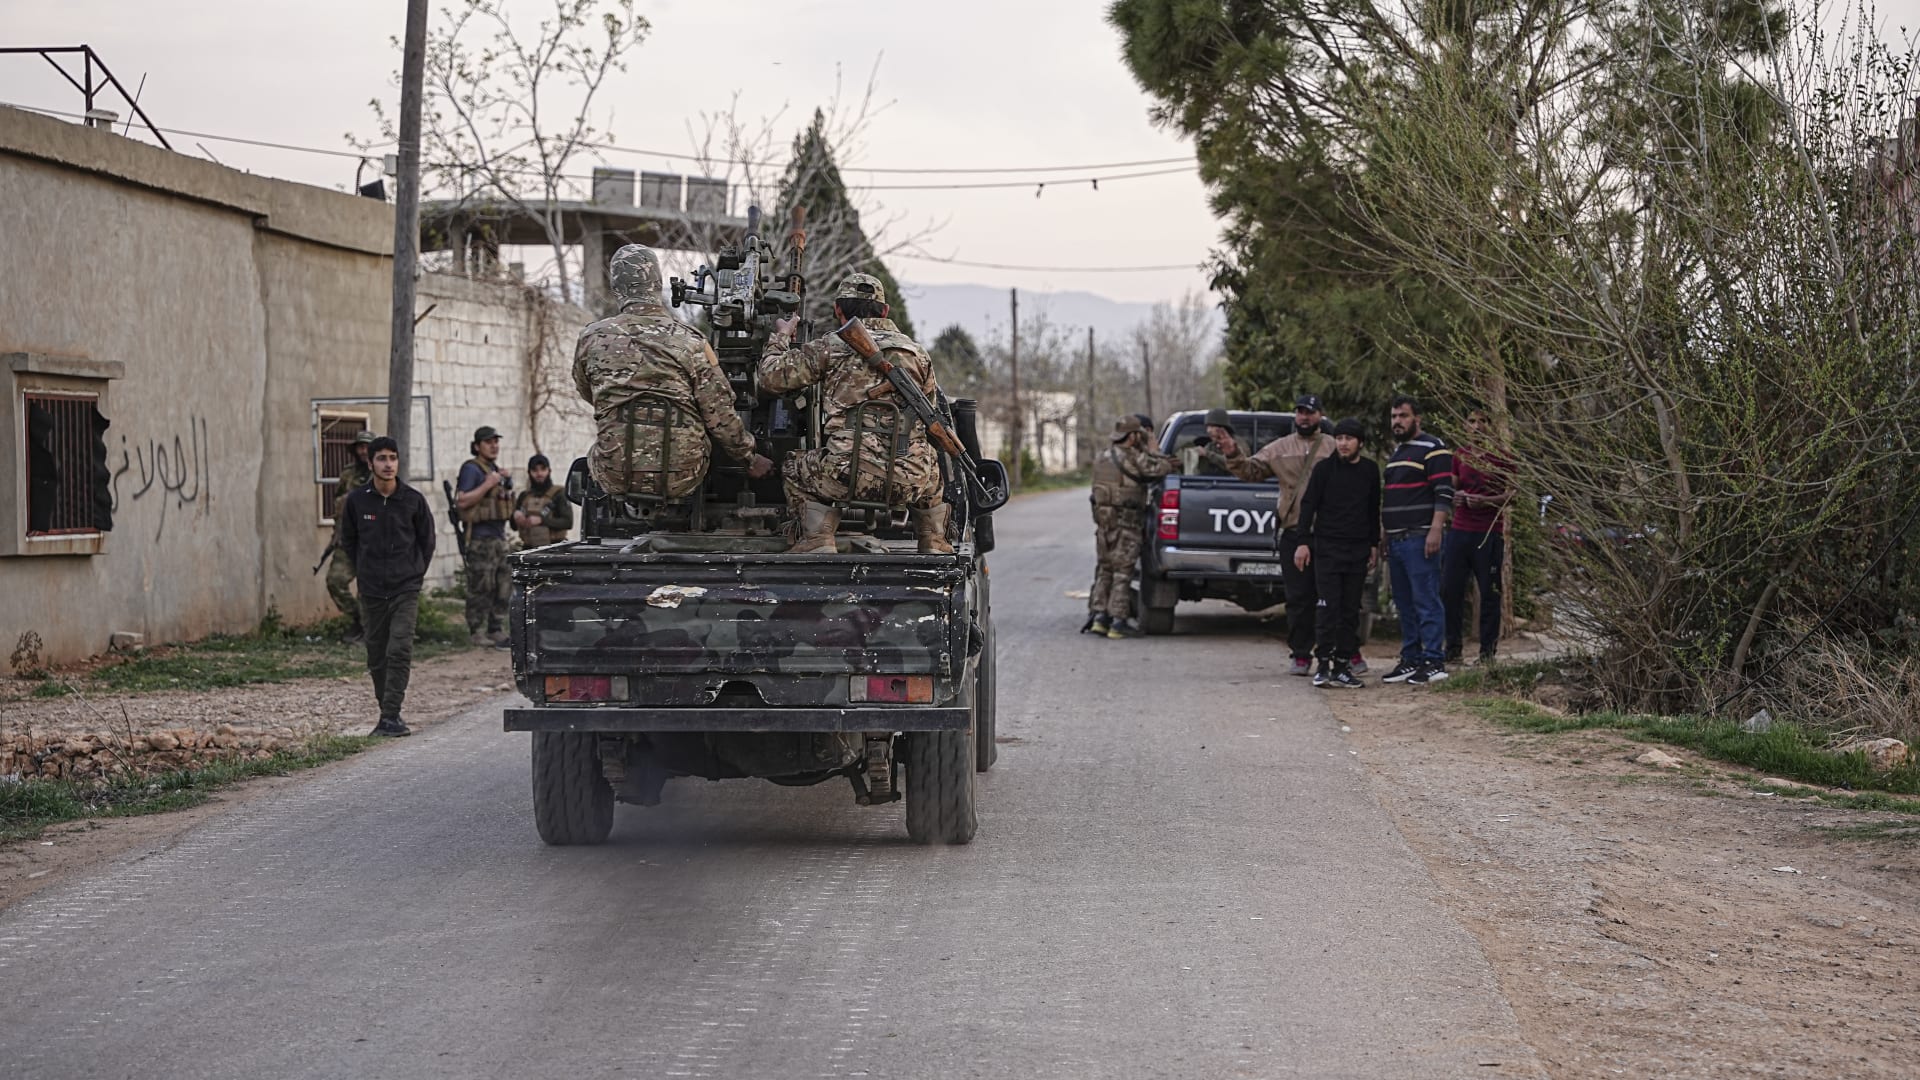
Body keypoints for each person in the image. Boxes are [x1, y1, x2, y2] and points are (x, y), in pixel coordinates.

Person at [758, 272, 948, 554]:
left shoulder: (832, 346)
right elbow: (930, 413)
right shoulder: (917, 353)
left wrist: (781, 336)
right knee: (931, 465)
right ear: (885, 310)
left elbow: (771, 377)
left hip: (846, 477)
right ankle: (933, 541)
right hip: (909, 480)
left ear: (838, 310)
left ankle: (818, 539)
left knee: (792, 465)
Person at [572, 244, 773, 505]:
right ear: (657, 284)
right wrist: (749, 457)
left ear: (617, 288)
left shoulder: (591, 338)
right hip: (683, 476)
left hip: (615, 475)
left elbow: (587, 391)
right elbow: (719, 412)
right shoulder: (690, 341)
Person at [1209, 394, 1337, 676]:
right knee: (1299, 597)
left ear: (1320, 416)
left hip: (1330, 534)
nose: (1304, 417)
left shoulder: (1334, 446)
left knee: (1331, 596)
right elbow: (1250, 470)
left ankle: (1336, 654)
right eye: (1300, 412)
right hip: (1293, 532)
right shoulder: (1280, 448)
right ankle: (1301, 654)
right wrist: (1231, 451)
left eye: (1310, 412)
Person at [339, 436, 436, 737]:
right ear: (370, 464)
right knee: (376, 654)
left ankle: (392, 715)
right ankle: (386, 713)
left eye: (393, 458)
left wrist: (414, 576)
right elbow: (349, 541)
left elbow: (427, 542)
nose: (388, 464)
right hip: (371, 590)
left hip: (404, 588)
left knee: (400, 648)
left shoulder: (412, 500)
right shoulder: (357, 501)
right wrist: (364, 572)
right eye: (381, 458)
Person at [1293, 418, 1380, 689]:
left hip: (1357, 550)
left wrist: (1374, 545)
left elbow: (1372, 509)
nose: (1343, 443)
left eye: (1349, 439)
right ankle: (1323, 665)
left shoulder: (1369, 470)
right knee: (1327, 607)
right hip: (1327, 549)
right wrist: (1303, 542)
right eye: (1339, 438)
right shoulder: (1323, 469)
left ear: (1360, 443)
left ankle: (1343, 665)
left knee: (1350, 609)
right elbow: (1308, 506)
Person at [1380, 395, 1455, 685]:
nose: (1397, 421)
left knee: (1426, 600)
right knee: (1404, 603)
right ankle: (1410, 658)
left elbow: (1444, 492)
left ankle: (1434, 659)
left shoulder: (1433, 448)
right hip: (1396, 541)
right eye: (1394, 416)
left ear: (1417, 419)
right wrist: (1385, 534)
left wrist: (1436, 529)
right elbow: (1392, 497)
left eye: (1403, 416)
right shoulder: (1397, 453)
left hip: (1420, 538)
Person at [1084, 414, 1180, 639]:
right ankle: (1118, 622)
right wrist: (1154, 449)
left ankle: (1099, 617)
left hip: (1104, 525)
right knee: (1123, 573)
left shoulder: (1102, 457)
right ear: (1133, 436)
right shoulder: (1134, 458)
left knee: (1105, 570)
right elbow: (1161, 468)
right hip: (1127, 525)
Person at [1442, 409, 1514, 664]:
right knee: (1451, 589)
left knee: (1490, 593)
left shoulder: (1503, 458)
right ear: (1465, 426)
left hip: (1489, 533)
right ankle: (1452, 648)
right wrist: (1457, 496)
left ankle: (1486, 653)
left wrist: (1486, 501)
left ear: (1491, 426)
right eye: (1472, 421)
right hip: (1460, 531)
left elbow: (1512, 494)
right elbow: (1452, 488)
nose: (1477, 426)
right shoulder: (1459, 456)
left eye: (1483, 421)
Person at [454, 425, 515, 647]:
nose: (494, 446)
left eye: (496, 442)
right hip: (480, 538)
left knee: (503, 584)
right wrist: (488, 484)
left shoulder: (494, 469)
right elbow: (462, 500)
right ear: (477, 446)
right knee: (481, 585)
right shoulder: (472, 469)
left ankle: (495, 628)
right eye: (489, 442)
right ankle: (476, 630)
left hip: (499, 537)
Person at [325, 430, 376, 642]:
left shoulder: (384, 473)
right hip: (348, 540)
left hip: (372, 541)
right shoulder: (348, 474)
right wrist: (337, 532)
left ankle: (368, 630)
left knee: (367, 588)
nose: (363, 451)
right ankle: (358, 620)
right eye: (360, 447)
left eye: (367, 447)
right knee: (335, 581)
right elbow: (339, 505)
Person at [512, 453, 573, 548]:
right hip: (529, 549)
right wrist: (516, 517)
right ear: (529, 472)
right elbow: (513, 526)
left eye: (543, 469)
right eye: (535, 470)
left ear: (549, 471)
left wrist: (541, 520)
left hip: (554, 548)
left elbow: (568, 522)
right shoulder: (524, 496)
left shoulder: (559, 494)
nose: (539, 474)